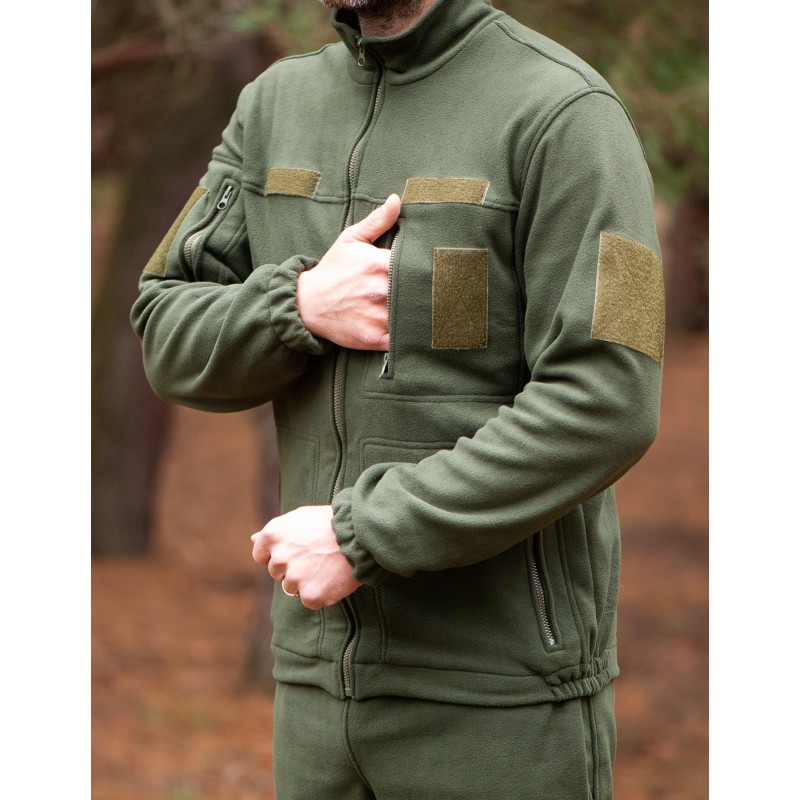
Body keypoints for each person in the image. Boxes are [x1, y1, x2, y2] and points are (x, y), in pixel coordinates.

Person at [131, 0, 664, 796]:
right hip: (315, 694)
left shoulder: (566, 111)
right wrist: (298, 306)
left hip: (500, 699)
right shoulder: (275, 106)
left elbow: (609, 401)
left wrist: (363, 534)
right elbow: (165, 328)